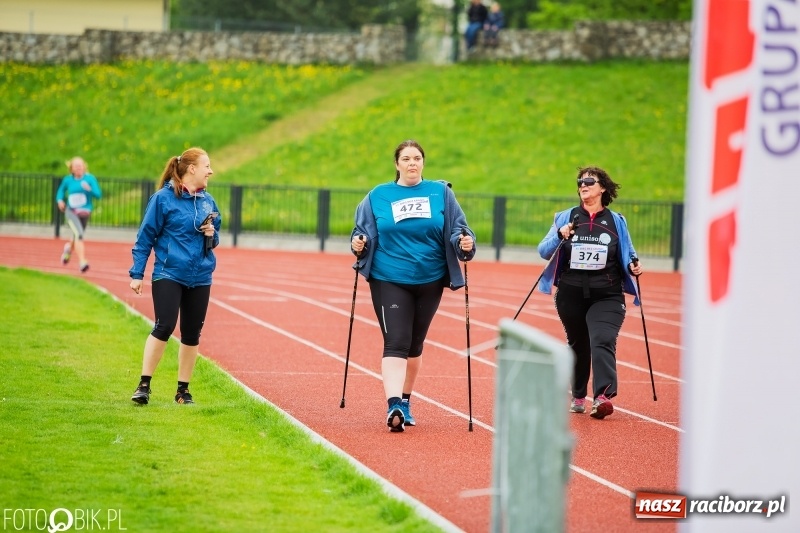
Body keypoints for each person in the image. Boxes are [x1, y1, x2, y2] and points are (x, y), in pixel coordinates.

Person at [351, 140, 476, 432]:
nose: (412, 163)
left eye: (417, 158)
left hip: (430, 279)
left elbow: (460, 229)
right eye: (406, 158)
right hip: (389, 277)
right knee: (396, 341)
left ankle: (405, 401)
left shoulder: (441, 193)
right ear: (397, 164)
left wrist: (465, 243)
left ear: (423, 163)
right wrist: (357, 244)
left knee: (415, 346)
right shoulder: (377, 196)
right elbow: (361, 232)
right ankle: (393, 403)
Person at [536, 166, 643, 420]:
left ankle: (603, 396)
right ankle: (578, 394)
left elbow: (628, 253)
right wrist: (560, 237)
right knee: (578, 344)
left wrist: (634, 265)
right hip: (571, 293)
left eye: (589, 182)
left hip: (607, 294)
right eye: (580, 182)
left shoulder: (616, 221)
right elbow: (544, 250)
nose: (583, 185)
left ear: (602, 188)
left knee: (602, 338)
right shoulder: (566, 217)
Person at [128, 147, 221, 406]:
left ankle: (183, 391)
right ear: (192, 169)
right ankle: (144, 385)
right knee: (165, 325)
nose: (210, 171)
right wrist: (137, 273)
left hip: (201, 275)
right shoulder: (162, 199)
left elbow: (215, 239)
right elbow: (145, 238)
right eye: (207, 166)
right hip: (168, 272)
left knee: (192, 333)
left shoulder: (208, 201)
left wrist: (210, 234)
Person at [55, 157, 102, 273]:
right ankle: (82, 262)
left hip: (85, 213)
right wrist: (60, 200)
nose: (79, 168)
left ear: (84, 167)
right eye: (76, 166)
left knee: (77, 236)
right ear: (71, 168)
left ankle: (68, 248)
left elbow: (98, 194)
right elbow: (60, 191)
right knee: (79, 235)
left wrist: (89, 189)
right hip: (71, 212)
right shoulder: (67, 180)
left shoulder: (90, 179)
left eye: (80, 166)